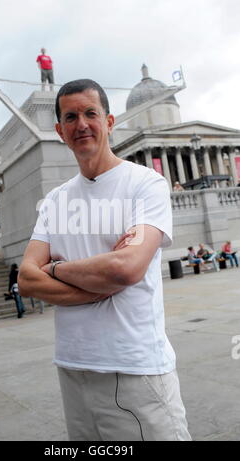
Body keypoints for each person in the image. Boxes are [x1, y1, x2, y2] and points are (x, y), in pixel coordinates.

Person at [18, 79, 191, 441]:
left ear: (109, 122)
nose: (81, 124)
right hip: (72, 368)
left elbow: (125, 268)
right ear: (60, 131)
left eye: (90, 113)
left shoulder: (146, 184)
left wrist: (56, 270)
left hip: (135, 369)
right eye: (71, 117)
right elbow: (27, 281)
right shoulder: (54, 201)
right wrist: (97, 285)